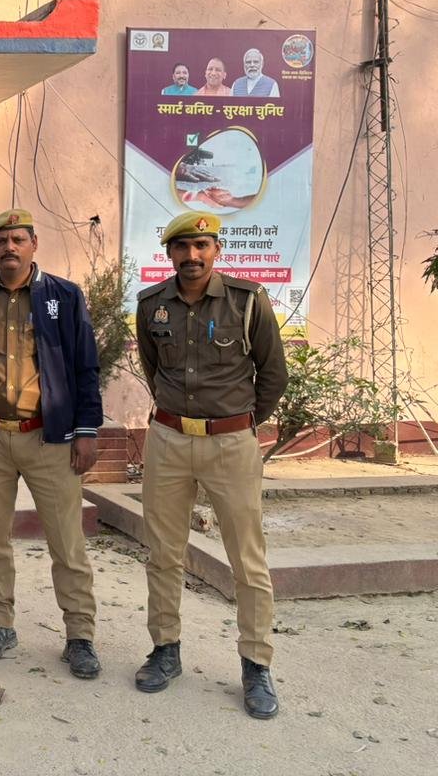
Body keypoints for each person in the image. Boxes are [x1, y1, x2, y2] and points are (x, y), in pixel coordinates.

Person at [134, 211, 288, 720]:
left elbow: (273, 374)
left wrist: (239, 423)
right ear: (169, 254)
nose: (192, 256)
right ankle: (165, 649)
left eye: (201, 246)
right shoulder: (152, 305)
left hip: (230, 444)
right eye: (182, 247)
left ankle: (256, 663)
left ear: (216, 250)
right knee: (163, 552)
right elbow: (154, 368)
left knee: (247, 559)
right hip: (168, 440)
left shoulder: (248, 301)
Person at [0, 209, 103, 680]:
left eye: (18, 239)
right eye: (1, 240)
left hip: (48, 437)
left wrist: (87, 430)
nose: (9, 247)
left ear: (34, 244)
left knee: (67, 542)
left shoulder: (64, 297)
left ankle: (79, 635)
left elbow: (85, 366)